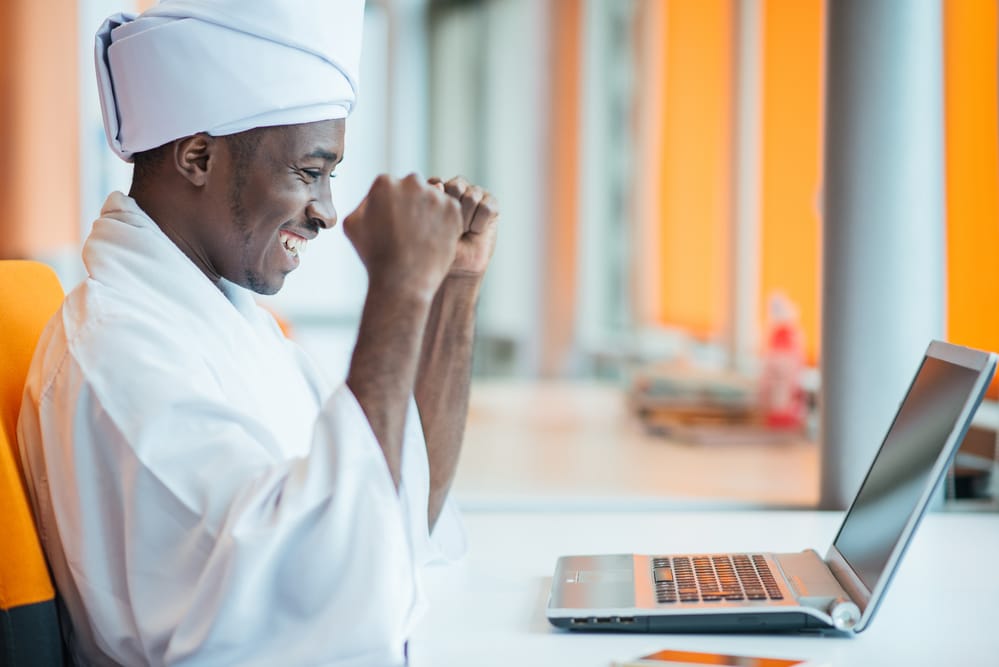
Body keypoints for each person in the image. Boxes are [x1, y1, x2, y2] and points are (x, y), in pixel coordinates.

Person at [16, 1, 498, 665]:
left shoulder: (225, 321)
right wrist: (395, 289)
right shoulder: (120, 354)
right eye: (310, 171)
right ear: (196, 156)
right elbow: (319, 602)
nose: (328, 211)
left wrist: (452, 289)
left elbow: (395, 514)